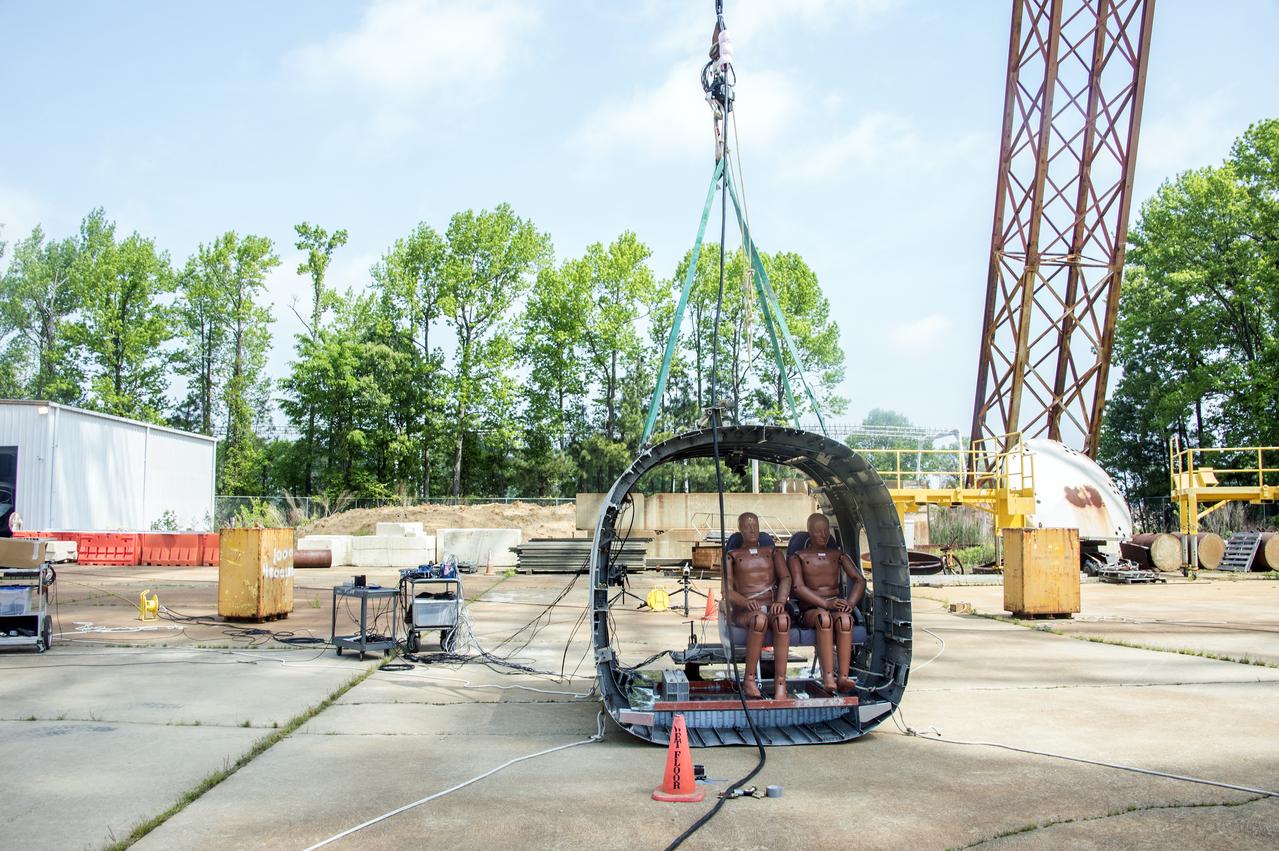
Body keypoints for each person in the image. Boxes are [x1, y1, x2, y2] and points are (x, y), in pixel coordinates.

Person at [789, 512, 866, 693]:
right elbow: (799, 588)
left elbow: (859, 580)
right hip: (811, 609)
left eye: (826, 531)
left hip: (835, 605)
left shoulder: (838, 555)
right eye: (818, 531)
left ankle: (844, 677)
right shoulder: (798, 557)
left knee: (845, 620)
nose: (823, 535)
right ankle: (828, 677)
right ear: (810, 532)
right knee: (824, 619)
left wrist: (851, 603)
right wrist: (824, 603)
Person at [724, 511, 791, 700]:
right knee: (759, 620)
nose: (752, 529)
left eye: (755, 525)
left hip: (772, 606)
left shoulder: (773, 552)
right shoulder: (732, 556)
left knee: (783, 621)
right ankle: (749, 679)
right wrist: (744, 602)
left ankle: (780, 683)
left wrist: (780, 600)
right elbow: (726, 590)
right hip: (746, 612)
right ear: (740, 530)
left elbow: (786, 577)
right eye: (747, 526)